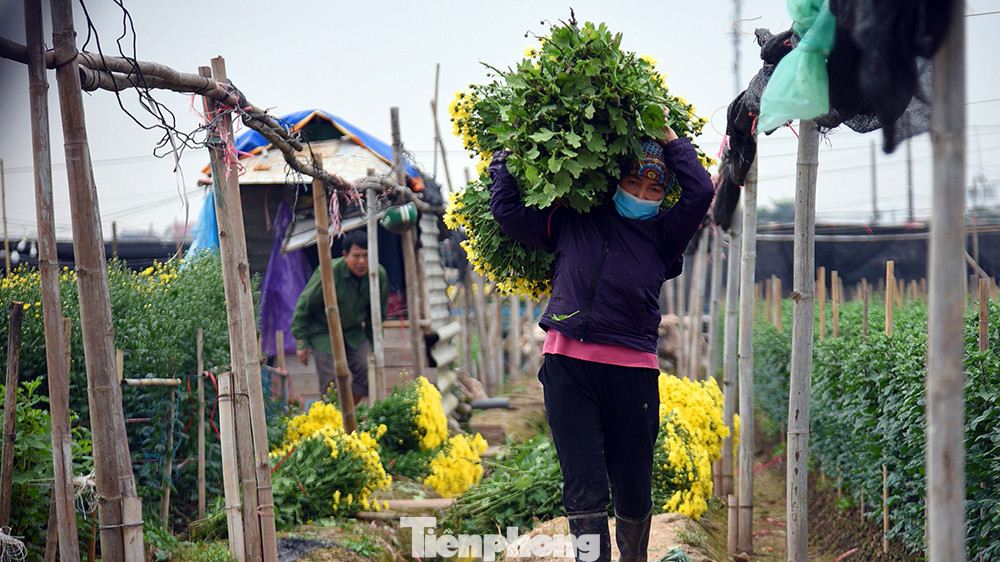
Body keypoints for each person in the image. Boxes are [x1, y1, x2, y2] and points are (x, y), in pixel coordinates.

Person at [489, 124, 714, 562]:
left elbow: (702, 190)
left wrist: (670, 139)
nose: (641, 193)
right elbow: (510, 213)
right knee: (584, 483)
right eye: (632, 182)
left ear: (662, 194)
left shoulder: (665, 235)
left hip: (633, 373)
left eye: (652, 188)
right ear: (616, 182)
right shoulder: (577, 217)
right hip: (568, 368)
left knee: (633, 485)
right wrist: (504, 156)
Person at [291, 229, 388, 405]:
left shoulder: (377, 275)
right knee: (330, 384)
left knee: (368, 371)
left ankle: (348, 414)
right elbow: (303, 305)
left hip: (353, 332)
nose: (362, 261)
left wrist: (375, 347)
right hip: (323, 331)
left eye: (367, 255)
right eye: (356, 256)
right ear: (344, 255)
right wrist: (301, 342)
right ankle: (333, 421)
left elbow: (377, 316)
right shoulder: (328, 271)